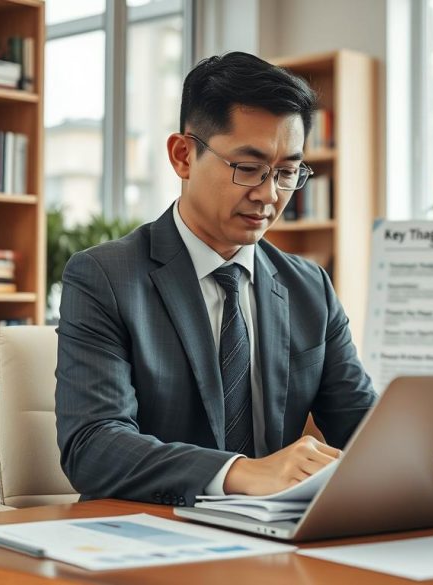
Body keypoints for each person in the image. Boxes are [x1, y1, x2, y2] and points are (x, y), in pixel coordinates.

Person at [55, 52, 377, 506]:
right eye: (248, 168)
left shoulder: (310, 287)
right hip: (156, 537)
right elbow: (93, 445)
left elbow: (363, 426)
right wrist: (241, 474)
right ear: (183, 156)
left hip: (281, 538)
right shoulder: (106, 276)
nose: (269, 194)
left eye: (287, 173)